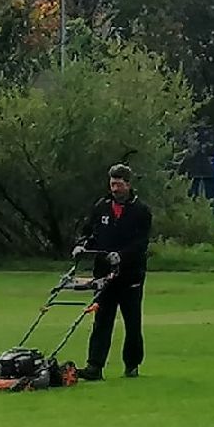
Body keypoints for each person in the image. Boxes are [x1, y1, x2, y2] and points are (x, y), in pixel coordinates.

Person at [74, 163, 152, 380]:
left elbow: (141, 243)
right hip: (103, 275)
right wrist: (82, 246)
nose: (115, 189)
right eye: (112, 184)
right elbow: (89, 231)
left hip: (130, 276)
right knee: (101, 321)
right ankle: (94, 367)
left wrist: (122, 256)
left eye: (119, 184)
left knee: (132, 323)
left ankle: (132, 364)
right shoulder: (101, 206)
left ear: (128, 184)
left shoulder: (141, 211)